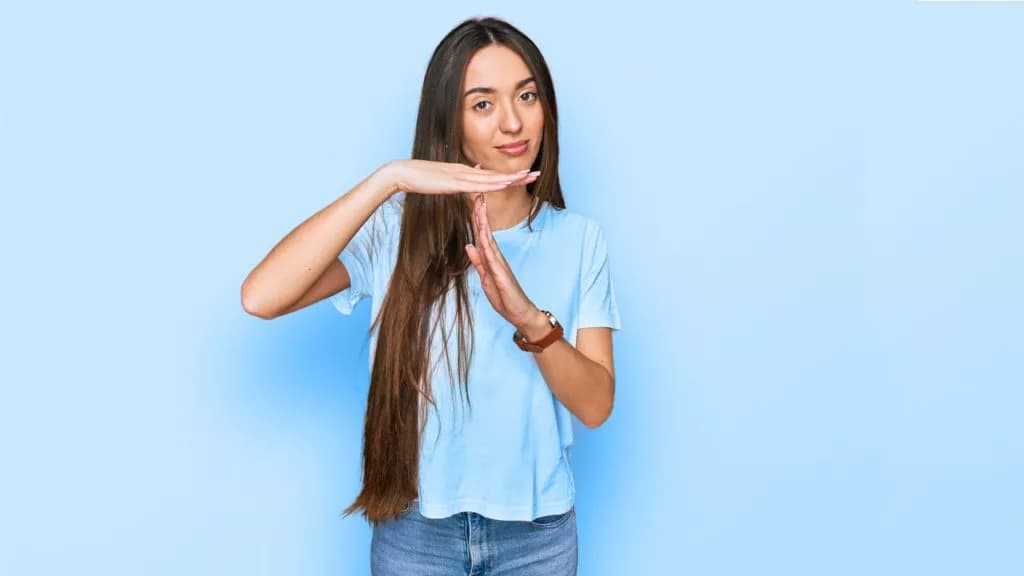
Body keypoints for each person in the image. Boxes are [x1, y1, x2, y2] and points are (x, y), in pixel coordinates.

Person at [241, 16, 621, 575]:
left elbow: (595, 405)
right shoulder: (396, 228)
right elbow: (262, 296)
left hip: (538, 540)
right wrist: (388, 179)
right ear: (452, 121)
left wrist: (528, 320)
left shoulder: (579, 239)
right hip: (416, 535)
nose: (513, 121)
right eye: (483, 104)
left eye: (527, 95)